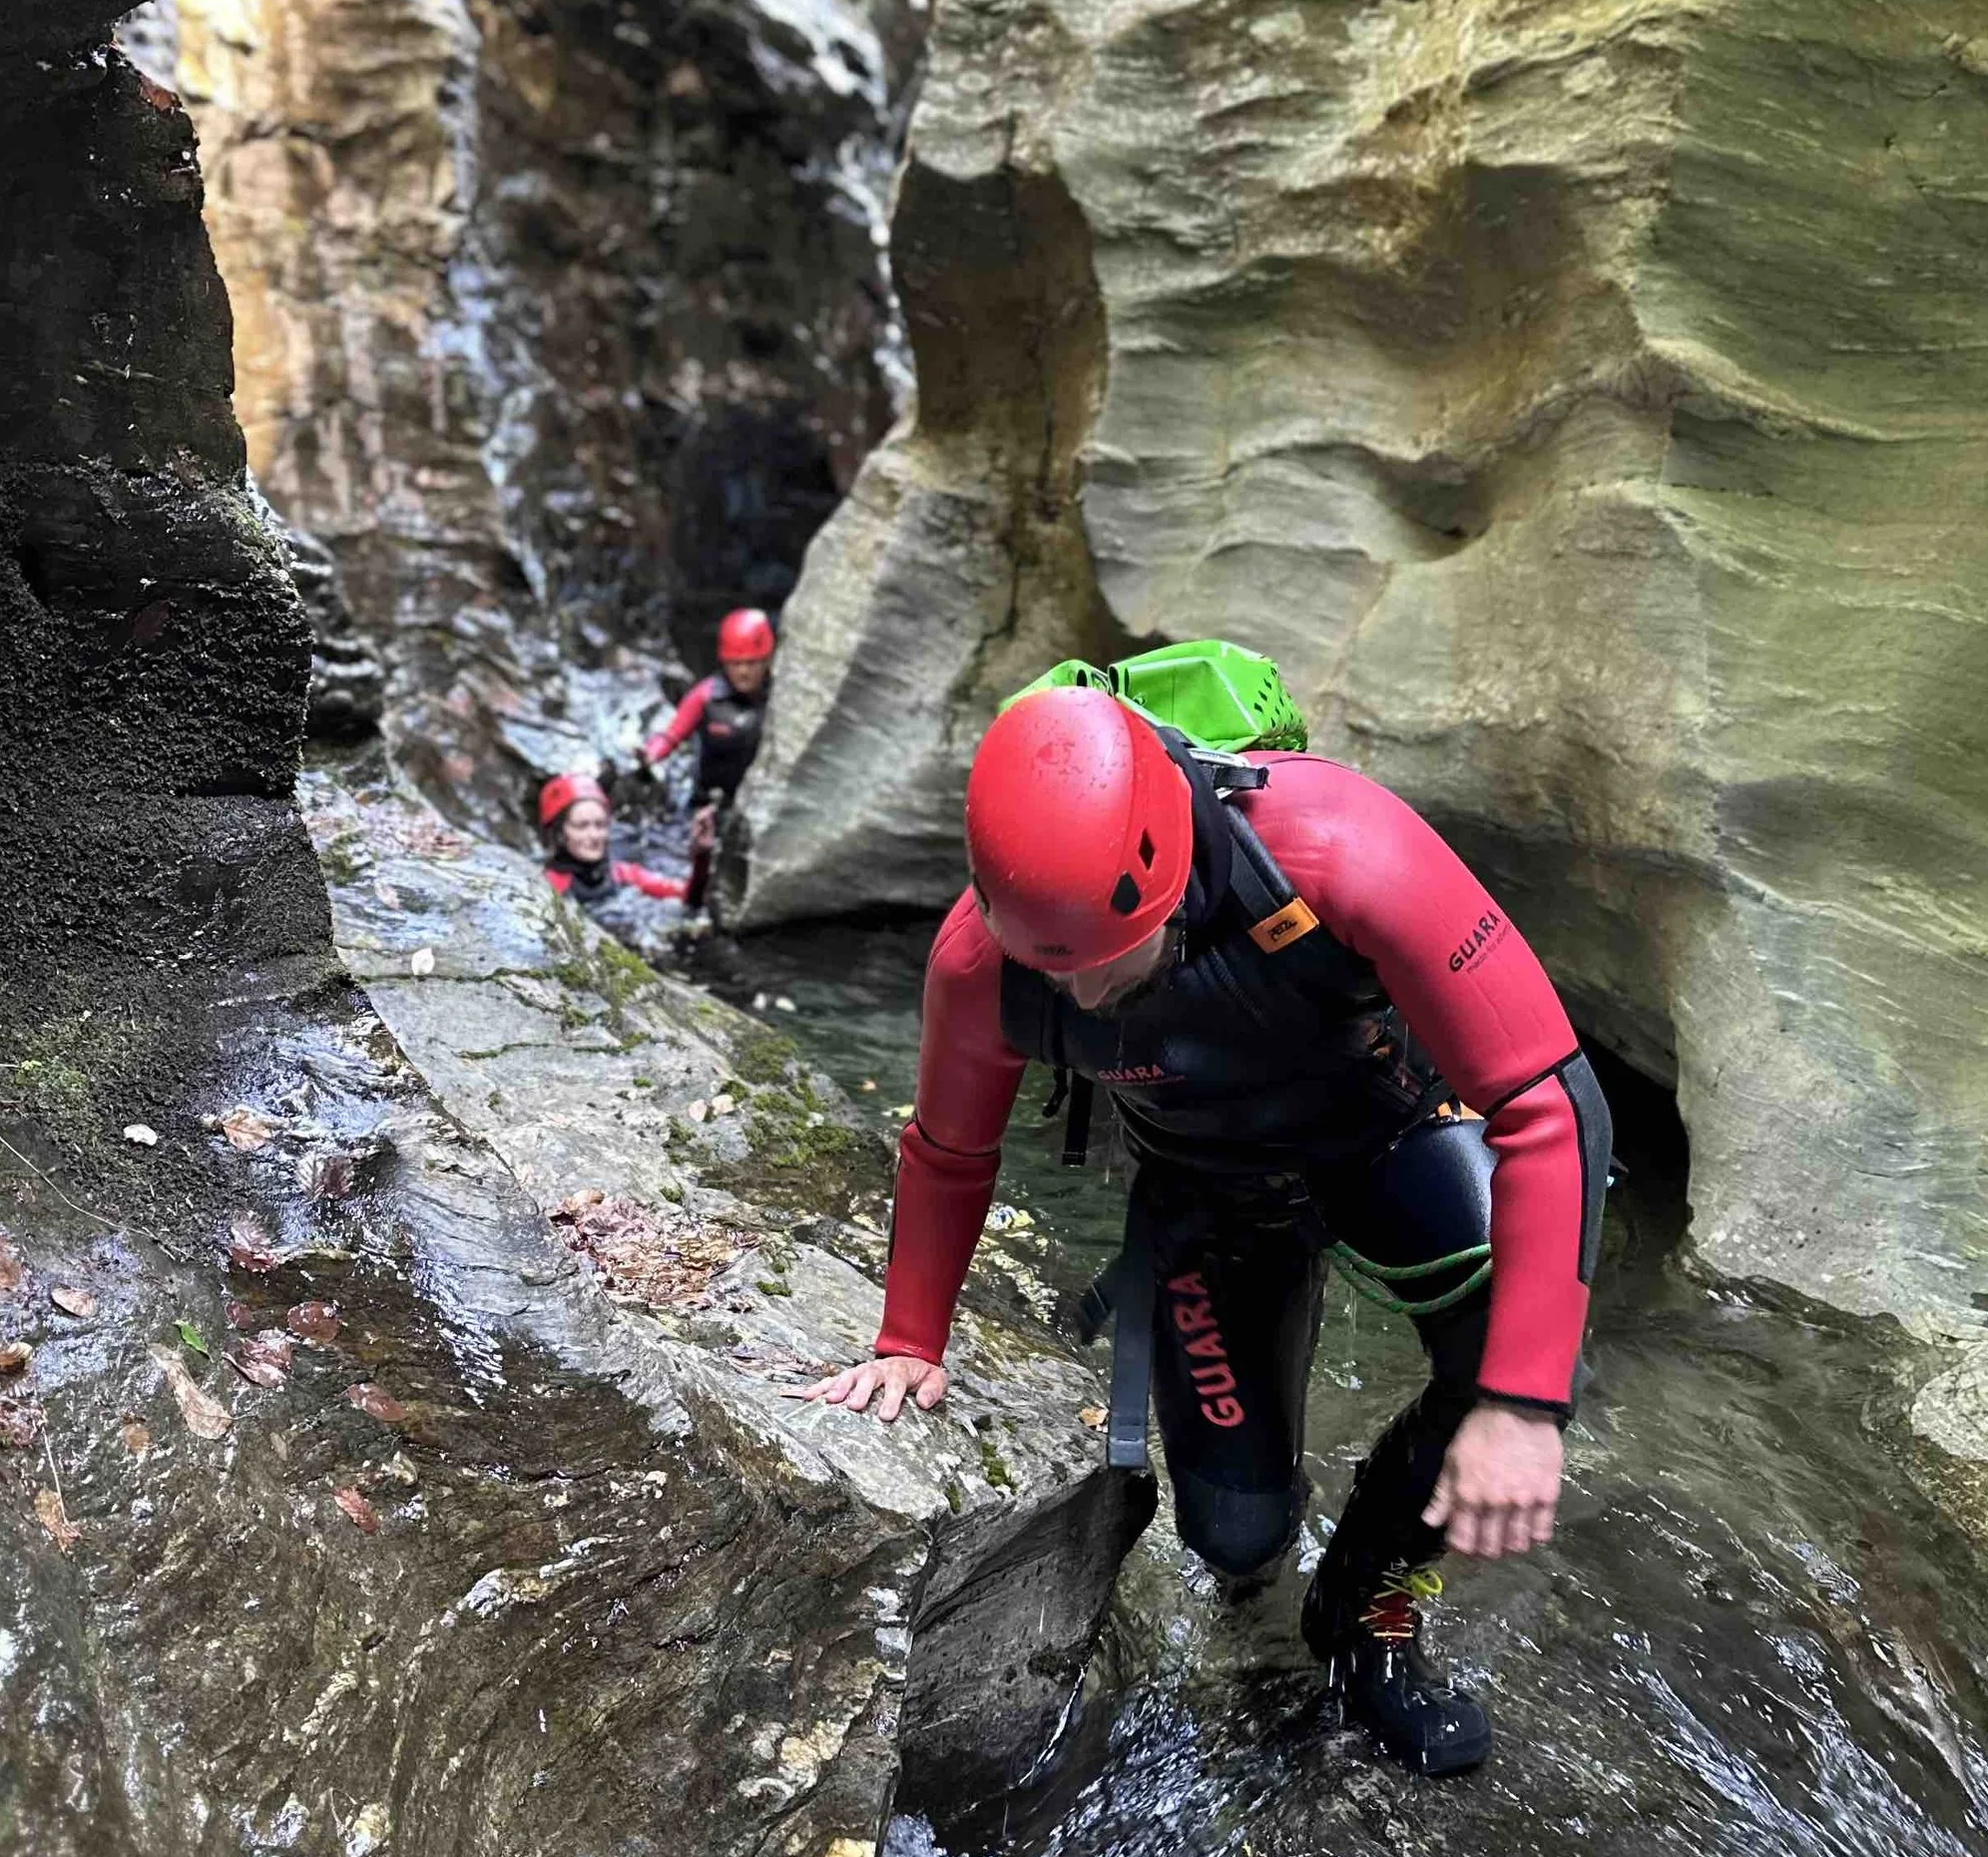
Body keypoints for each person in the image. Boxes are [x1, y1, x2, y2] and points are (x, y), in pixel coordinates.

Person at [796, 686, 1610, 1776]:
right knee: (1231, 1536)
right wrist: (908, 1341)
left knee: (1515, 1351)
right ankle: (1270, 1579)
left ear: (1171, 875)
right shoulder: (976, 964)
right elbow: (947, 1151)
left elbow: (1548, 1105)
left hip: (1395, 1136)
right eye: (1055, 966)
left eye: (1109, 957)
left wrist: (1520, 1404)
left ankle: (1367, 1608)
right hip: (1209, 1190)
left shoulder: (1338, 851)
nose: (1081, 996)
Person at [643, 610, 776, 845]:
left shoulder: (780, 697)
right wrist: (651, 754)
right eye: (735, 664)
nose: (743, 672)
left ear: (766, 660)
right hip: (707, 805)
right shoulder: (706, 696)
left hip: (755, 805)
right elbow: (672, 734)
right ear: (724, 662)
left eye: (751, 663)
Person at [538, 774, 687, 915]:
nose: (594, 835)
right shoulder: (548, 886)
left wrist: (702, 855)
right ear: (559, 834)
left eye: (600, 825)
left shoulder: (623, 874)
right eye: (582, 826)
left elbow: (687, 894)